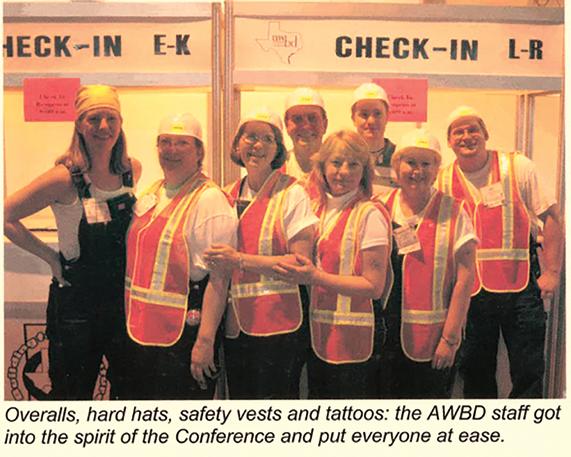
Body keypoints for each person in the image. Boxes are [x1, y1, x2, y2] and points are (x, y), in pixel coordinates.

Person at [4, 85, 141, 400]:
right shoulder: (64, 177)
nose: (103, 127)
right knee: (71, 395)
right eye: (94, 118)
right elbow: (6, 215)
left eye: (111, 118)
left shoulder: (131, 170)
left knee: (130, 391)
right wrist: (51, 258)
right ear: (79, 124)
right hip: (76, 304)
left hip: (122, 301)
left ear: (121, 123)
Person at [437, 106, 562, 398]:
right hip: (471, 295)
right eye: (458, 132)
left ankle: (526, 426)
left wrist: (552, 272)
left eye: (473, 129)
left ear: (485, 133)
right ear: (450, 141)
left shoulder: (516, 166)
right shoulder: (441, 180)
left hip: (520, 290)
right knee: (474, 372)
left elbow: (552, 217)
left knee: (528, 370)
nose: (466, 136)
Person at [204, 107, 317, 399]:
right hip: (236, 326)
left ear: (278, 149)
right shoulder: (225, 194)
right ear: (237, 144)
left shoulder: (293, 193)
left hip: (281, 326)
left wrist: (240, 260)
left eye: (268, 139)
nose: (257, 145)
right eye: (250, 136)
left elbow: (301, 264)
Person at [123, 113, 236, 400]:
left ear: (199, 152)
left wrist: (205, 342)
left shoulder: (210, 199)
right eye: (165, 142)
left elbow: (219, 279)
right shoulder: (153, 191)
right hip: (141, 333)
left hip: (184, 337)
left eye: (182, 143)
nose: (171, 150)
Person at [274, 129, 392, 399]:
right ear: (322, 167)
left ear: (364, 170)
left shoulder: (370, 214)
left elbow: (374, 286)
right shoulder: (315, 210)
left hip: (356, 341)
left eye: (354, 164)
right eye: (336, 163)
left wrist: (315, 277)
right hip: (319, 338)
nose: (344, 172)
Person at [378, 128, 477, 399]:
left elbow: (465, 278)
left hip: (433, 341)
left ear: (436, 170)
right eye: (410, 162)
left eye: (426, 163)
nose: (417, 171)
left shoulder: (454, 210)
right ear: (397, 166)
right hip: (385, 338)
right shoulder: (380, 207)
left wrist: (450, 339)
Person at [351, 82, 397, 195]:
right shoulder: (344, 156)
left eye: (377, 114)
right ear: (353, 118)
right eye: (364, 114)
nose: (371, 121)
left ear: (387, 117)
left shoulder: (400, 158)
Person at [283, 87, 328, 180]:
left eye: (312, 118)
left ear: (325, 124)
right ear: (287, 125)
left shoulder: (340, 165)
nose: (306, 126)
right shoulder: (277, 168)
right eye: (297, 119)